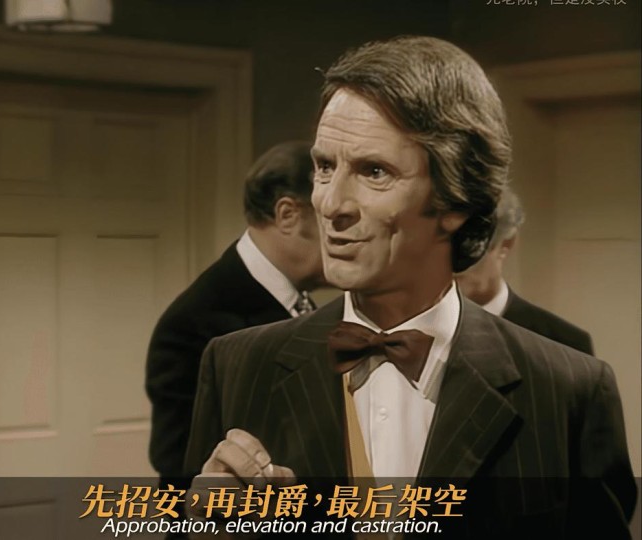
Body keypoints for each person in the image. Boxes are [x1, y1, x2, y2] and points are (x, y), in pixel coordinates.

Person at [184, 37, 636, 538]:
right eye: (325, 167)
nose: (331, 204)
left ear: (455, 201)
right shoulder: (237, 367)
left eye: (373, 171)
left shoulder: (568, 390)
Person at [145, 140, 326, 495]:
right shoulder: (193, 324)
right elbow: (182, 476)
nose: (344, 235)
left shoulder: (301, 303)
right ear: (287, 215)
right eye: (331, 218)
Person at [456, 188, 594, 355]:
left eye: (470, 248)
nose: (451, 264)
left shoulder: (564, 344)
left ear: (506, 244)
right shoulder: (424, 328)